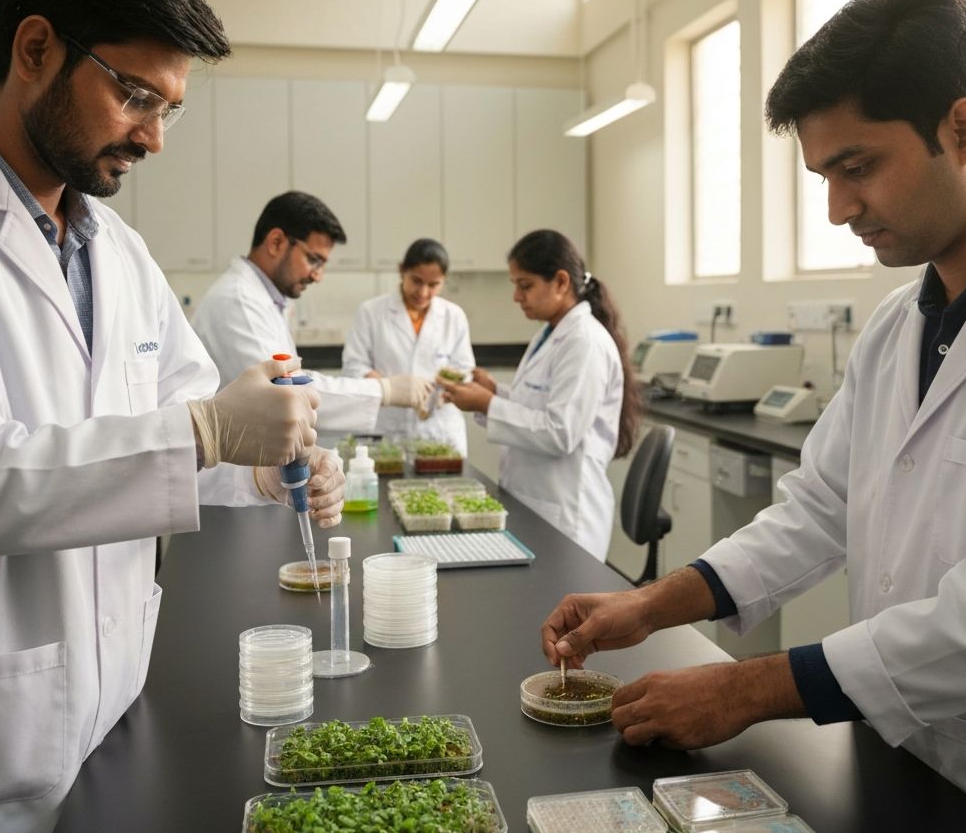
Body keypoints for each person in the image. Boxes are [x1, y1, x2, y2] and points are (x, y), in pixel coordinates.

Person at [541, 0, 966, 817]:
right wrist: (652, 603)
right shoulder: (899, 327)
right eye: (824, 175)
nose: (836, 210)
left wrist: (746, 689)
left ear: (964, 131)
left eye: (857, 168)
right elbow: (817, 511)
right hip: (899, 763)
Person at [0, 0, 343, 833]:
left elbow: (189, 427)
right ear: (34, 50)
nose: (154, 136)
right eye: (135, 95)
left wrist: (263, 469)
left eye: (170, 108)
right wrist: (214, 431)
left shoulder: (120, 253)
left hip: (113, 723)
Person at [442, 229, 637, 561]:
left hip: (567, 515)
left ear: (561, 282)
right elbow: (540, 404)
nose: (517, 297)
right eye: (515, 286)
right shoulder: (552, 334)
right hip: (536, 503)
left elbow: (560, 432)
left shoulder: (584, 342)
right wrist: (494, 392)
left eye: (525, 285)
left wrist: (486, 404)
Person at [192, 190, 433, 428]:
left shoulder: (264, 299)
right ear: (276, 242)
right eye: (314, 260)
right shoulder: (238, 301)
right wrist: (384, 390)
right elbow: (285, 394)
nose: (318, 276)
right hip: (230, 464)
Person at [342, 238, 475, 452]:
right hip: (386, 428)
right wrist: (392, 389)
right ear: (402, 271)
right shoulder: (371, 312)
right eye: (416, 281)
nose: (423, 292)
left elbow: (465, 371)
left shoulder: (453, 316)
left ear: (444, 280)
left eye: (433, 285)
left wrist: (446, 392)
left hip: (438, 430)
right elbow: (354, 368)